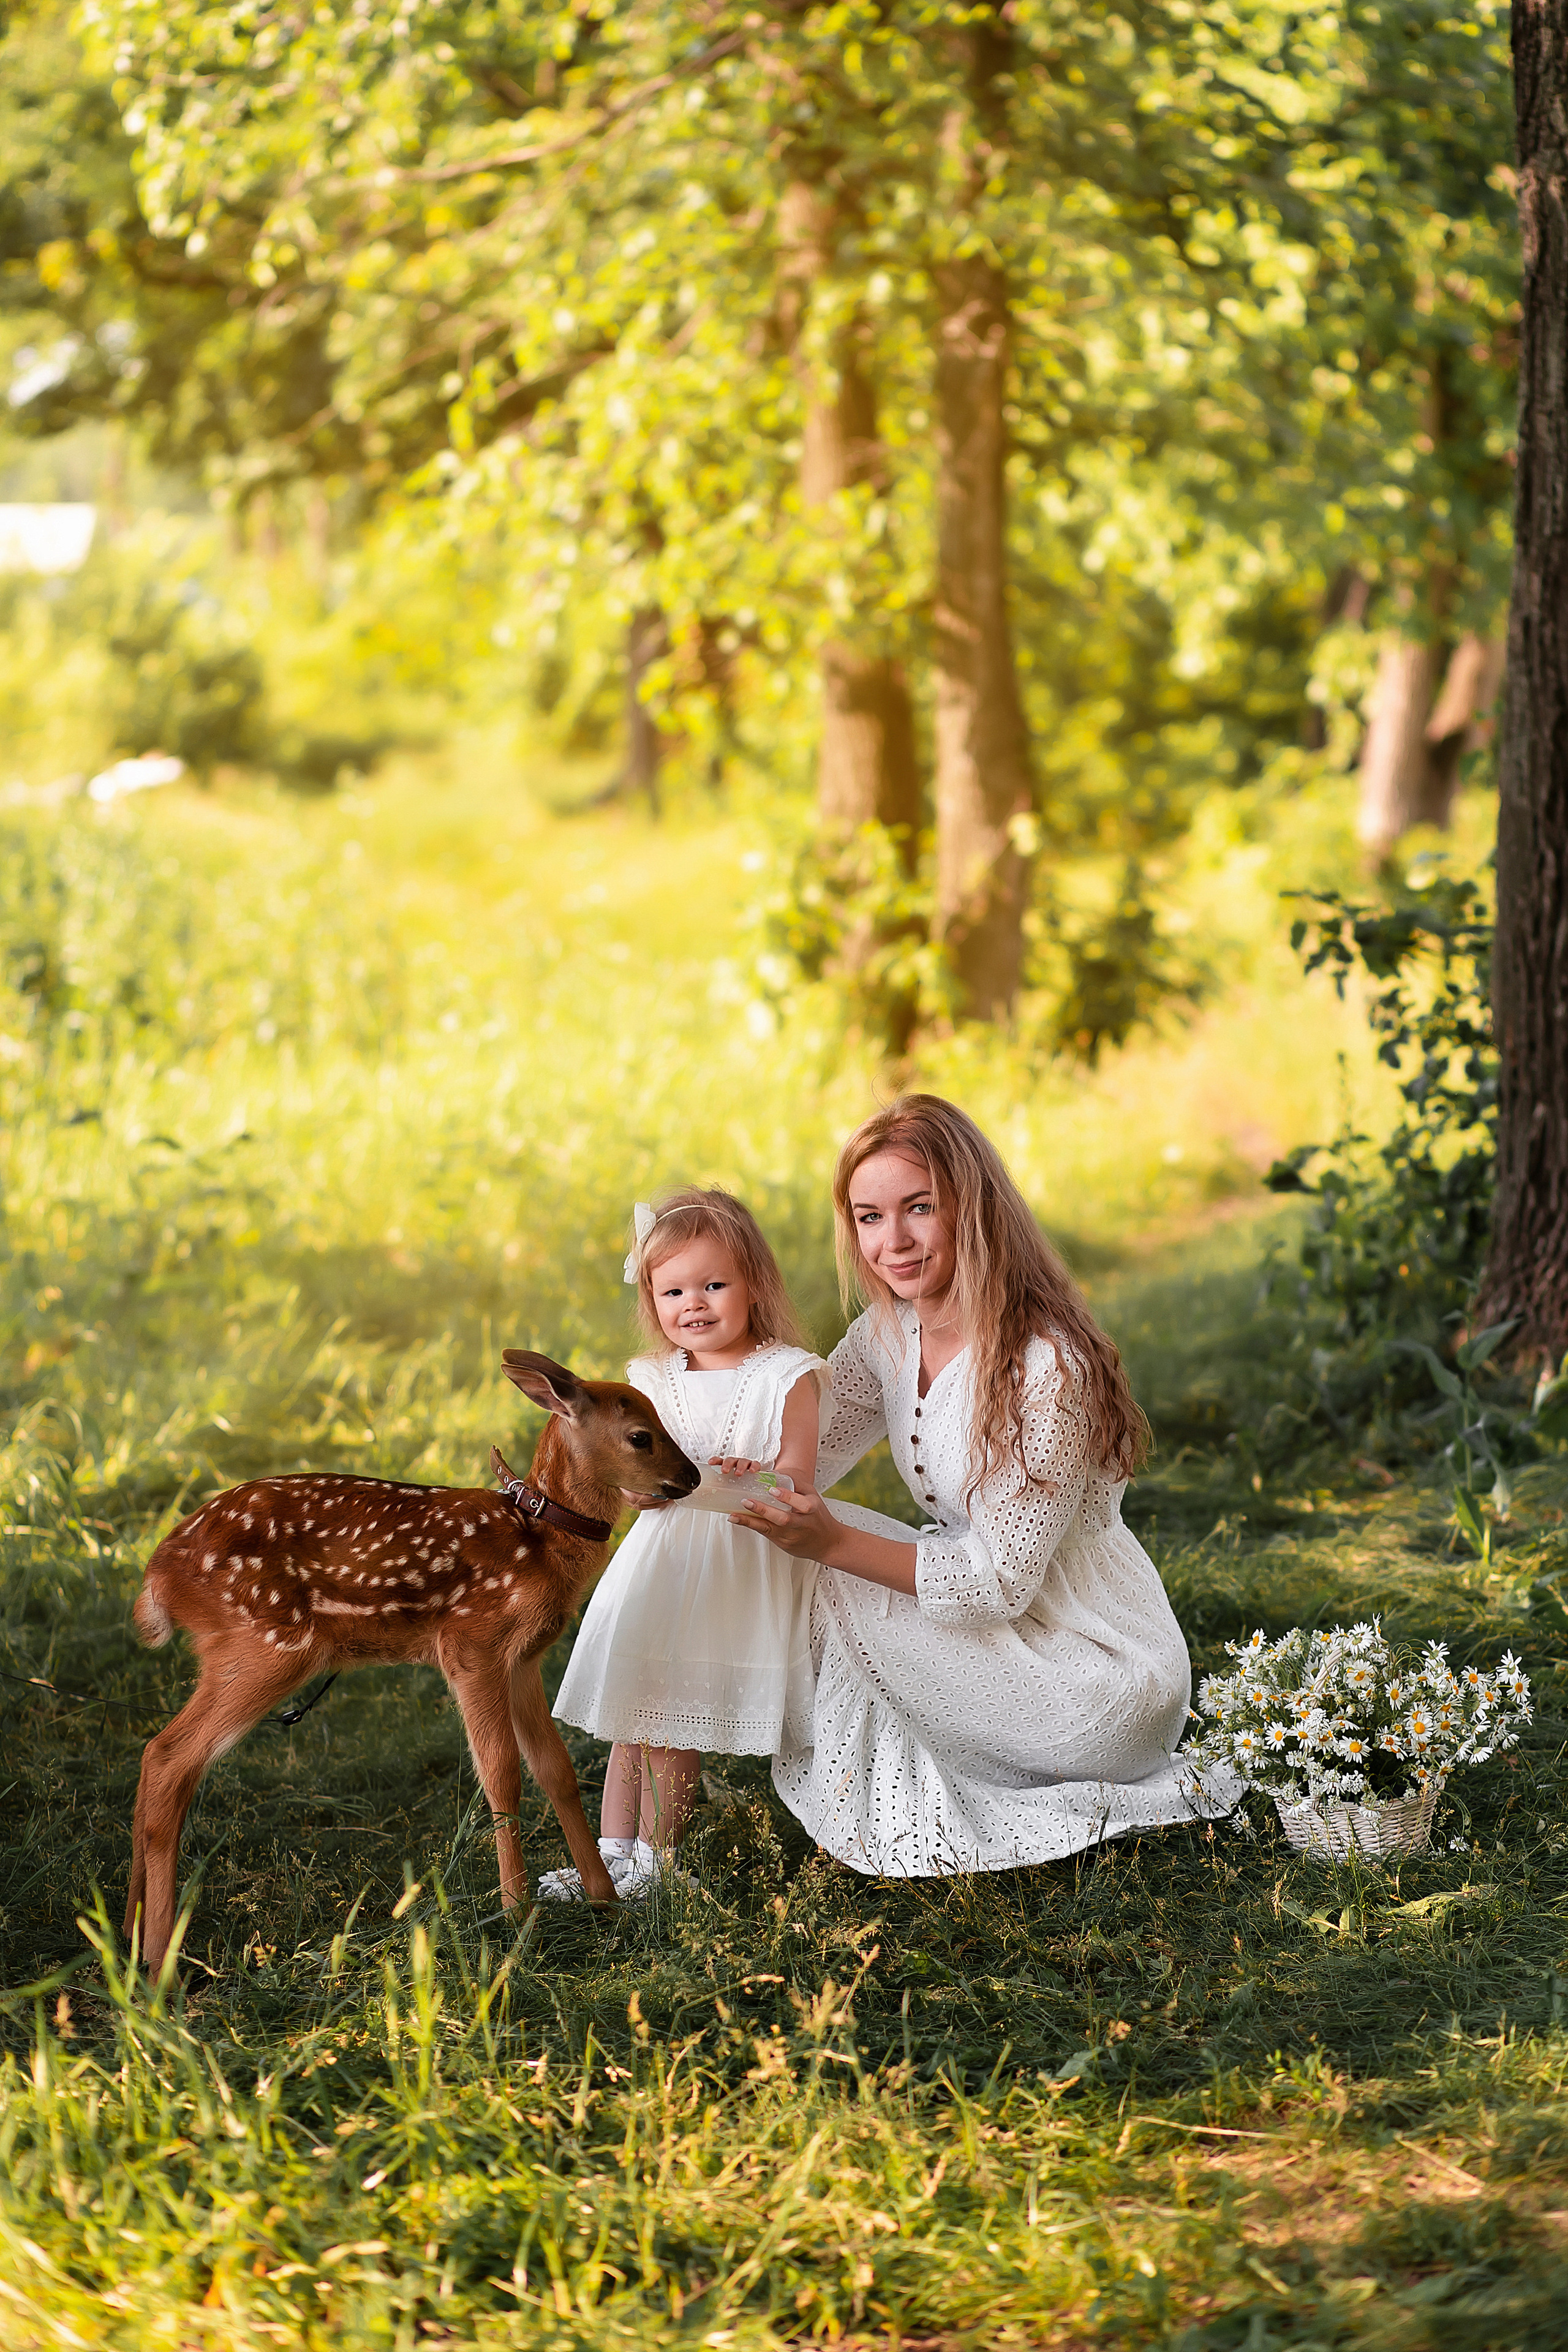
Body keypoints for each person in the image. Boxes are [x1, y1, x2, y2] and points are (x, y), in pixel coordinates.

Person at [730, 1095, 1238, 1875]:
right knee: (787, 1536)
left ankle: (872, 1797)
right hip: (999, 1640)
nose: (892, 1242)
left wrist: (828, 1542)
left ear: (973, 1208)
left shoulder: (1046, 1366)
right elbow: (791, 1462)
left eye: (919, 1208)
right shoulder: (887, 1335)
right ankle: (683, 1760)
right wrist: (686, 1469)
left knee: (826, 1566)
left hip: (1098, 1679)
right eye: (869, 1217)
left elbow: (996, 1583)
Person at [542, 1186, 829, 1900]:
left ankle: (658, 1866)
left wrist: (754, 1474)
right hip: (660, 1563)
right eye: (672, 1291)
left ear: (754, 1284)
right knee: (633, 1719)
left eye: (713, 1286)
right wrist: (636, 1492)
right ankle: (610, 1858)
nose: (692, 1304)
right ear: (651, 1298)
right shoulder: (650, 1379)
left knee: (671, 1721)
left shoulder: (785, 1376)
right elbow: (631, 1473)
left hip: (728, 1563)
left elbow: (798, 1477)